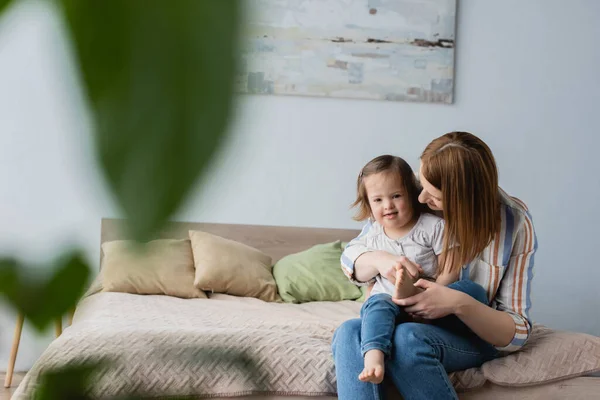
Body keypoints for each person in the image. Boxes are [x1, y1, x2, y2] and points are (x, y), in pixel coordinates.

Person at [333, 131, 537, 400]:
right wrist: (381, 260)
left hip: (467, 330)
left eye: (434, 196)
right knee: (349, 331)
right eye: (421, 186)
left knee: (410, 337)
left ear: (464, 199)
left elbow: (517, 330)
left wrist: (455, 302)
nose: (420, 199)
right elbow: (353, 256)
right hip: (405, 312)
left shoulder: (514, 223)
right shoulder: (405, 195)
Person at [343, 155, 465, 384]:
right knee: (377, 304)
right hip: (386, 303)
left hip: (422, 301)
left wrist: (434, 295)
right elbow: (365, 274)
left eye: (396, 196)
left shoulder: (432, 227)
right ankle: (374, 357)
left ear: (411, 193)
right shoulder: (372, 236)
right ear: (368, 204)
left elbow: (450, 268)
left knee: (401, 311)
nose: (387, 205)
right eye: (377, 200)